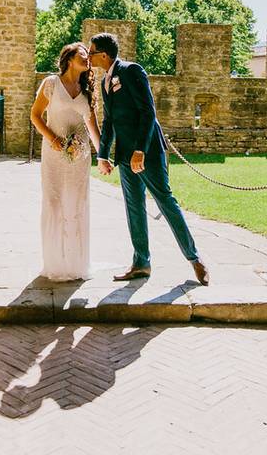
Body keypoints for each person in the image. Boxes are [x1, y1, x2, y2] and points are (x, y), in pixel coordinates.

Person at [87, 32, 210, 285]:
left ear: (103, 54)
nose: (89, 57)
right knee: (134, 208)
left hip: (147, 153)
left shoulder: (132, 71)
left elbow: (147, 111)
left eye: (91, 53)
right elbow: (109, 121)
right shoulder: (104, 83)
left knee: (165, 202)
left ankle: (195, 259)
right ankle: (141, 263)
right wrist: (102, 155)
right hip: (124, 156)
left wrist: (141, 150)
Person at [29, 43, 102, 281]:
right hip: (53, 155)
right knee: (54, 204)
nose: (88, 59)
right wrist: (53, 138)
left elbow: (92, 127)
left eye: (89, 56)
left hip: (79, 159)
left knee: (77, 206)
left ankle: (76, 264)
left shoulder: (87, 88)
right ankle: (55, 264)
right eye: (83, 55)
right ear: (69, 58)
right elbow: (35, 115)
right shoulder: (50, 84)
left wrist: (102, 155)